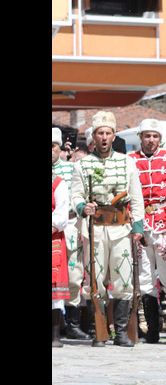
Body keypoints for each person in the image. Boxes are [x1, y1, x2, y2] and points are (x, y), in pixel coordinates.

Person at [70, 111, 146, 347]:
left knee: (124, 279)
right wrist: (84, 206)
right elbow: (75, 195)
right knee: (94, 279)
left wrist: (138, 227)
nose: (104, 137)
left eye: (108, 133)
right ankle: (99, 331)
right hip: (95, 228)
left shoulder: (127, 162)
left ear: (113, 136)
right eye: (100, 133)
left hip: (121, 228)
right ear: (94, 136)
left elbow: (136, 198)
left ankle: (121, 332)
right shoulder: (83, 164)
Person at [129, 119, 166, 344]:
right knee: (145, 279)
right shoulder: (130, 160)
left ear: (159, 138)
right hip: (141, 224)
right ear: (140, 137)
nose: (151, 140)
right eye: (146, 136)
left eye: (154, 136)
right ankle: (152, 331)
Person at [52, 128, 87, 340]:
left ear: (60, 147)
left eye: (53, 146)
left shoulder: (72, 168)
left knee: (73, 277)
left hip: (71, 224)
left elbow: (80, 195)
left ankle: (73, 323)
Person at [53, 130, 72, 347]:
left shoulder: (59, 182)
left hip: (53, 238)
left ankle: (55, 334)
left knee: (54, 287)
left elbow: (60, 215)